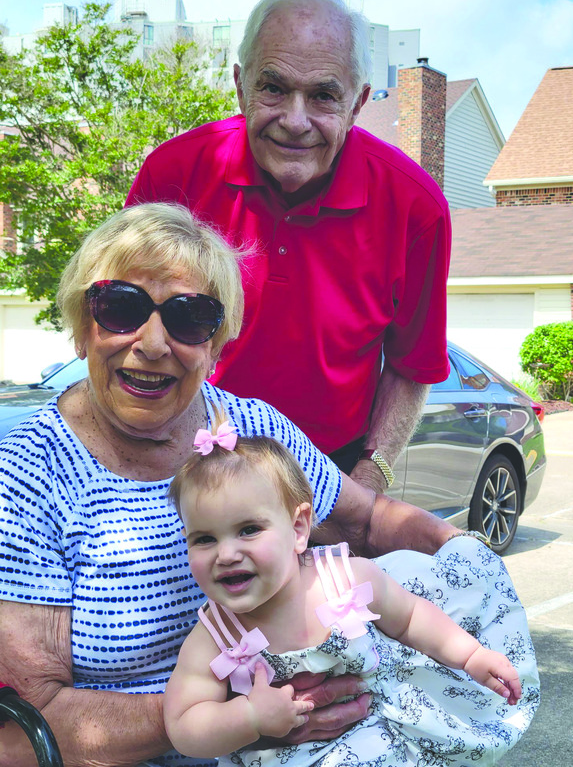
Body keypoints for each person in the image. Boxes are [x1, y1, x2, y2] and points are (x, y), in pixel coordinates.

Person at [0, 202, 467, 767]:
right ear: (81, 327)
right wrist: (241, 717)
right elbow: (26, 727)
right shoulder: (25, 474)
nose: (151, 343)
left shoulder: (253, 431)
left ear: (217, 344)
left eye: (189, 318)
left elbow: (365, 519)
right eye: (120, 308)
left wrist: (468, 559)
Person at [126, 0, 452, 492]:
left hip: (328, 473)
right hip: (180, 458)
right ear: (240, 86)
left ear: (358, 103)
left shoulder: (416, 208)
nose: (295, 121)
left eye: (323, 96)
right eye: (273, 88)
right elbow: (123, 327)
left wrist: (368, 481)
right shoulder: (174, 174)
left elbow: (411, 368)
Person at [163, 422, 537, 766]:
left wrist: (469, 655)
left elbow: (410, 617)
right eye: (205, 539)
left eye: (248, 530)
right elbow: (183, 725)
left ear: (298, 529)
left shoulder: (343, 579)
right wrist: (248, 717)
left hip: (382, 736)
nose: (226, 554)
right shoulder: (216, 636)